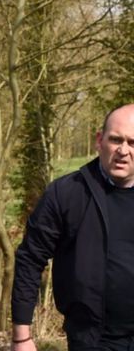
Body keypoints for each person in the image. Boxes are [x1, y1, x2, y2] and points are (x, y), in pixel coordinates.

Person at [11, 104, 134, 351]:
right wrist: (21, 336)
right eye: (115, 140)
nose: (123, 150)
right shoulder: (67, 193)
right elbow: (30, 259)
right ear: (99, 141)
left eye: (132, 142)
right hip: (93, 341)